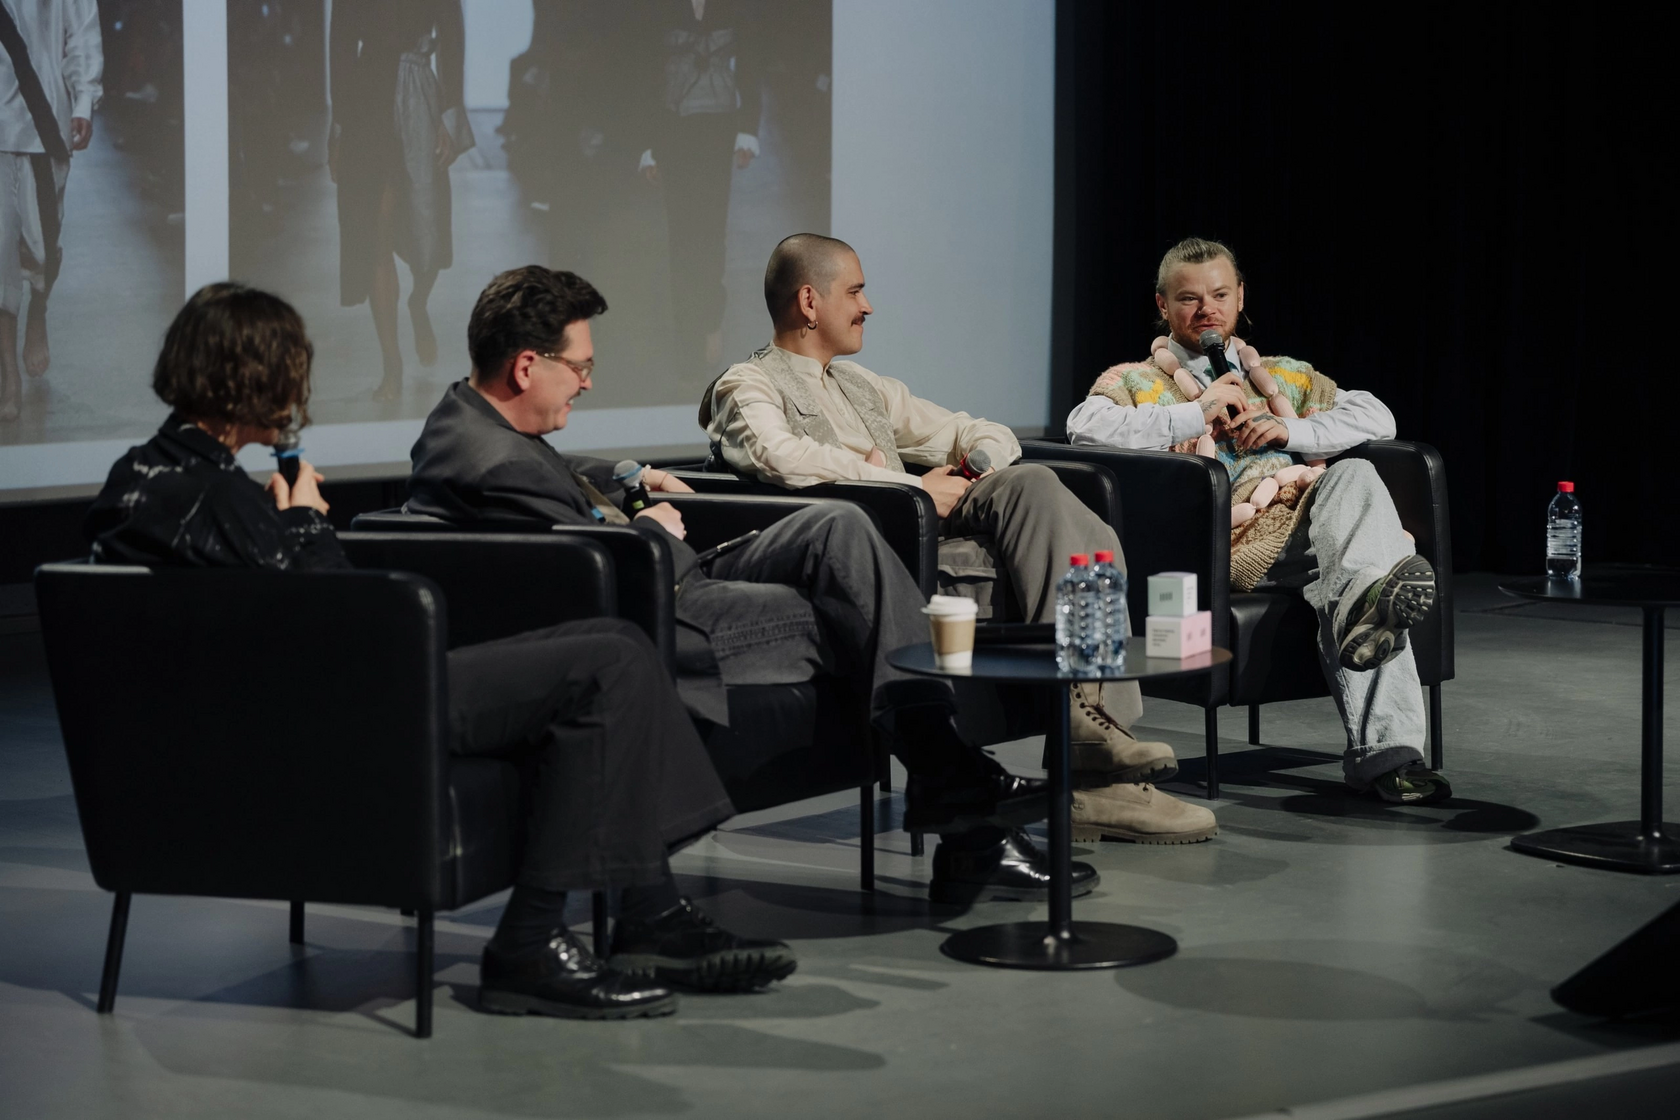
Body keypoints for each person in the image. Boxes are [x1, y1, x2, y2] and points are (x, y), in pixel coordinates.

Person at [84, 282, 799, 1021]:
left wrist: (286, 528)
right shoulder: (211, 497)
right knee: (611, 661)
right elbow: (333, 622)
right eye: (291, 372)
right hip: (359, 702)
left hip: (337, 691)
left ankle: (648, 912)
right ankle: (541, 942)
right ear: (253, 376)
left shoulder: (157, 479)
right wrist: (304, 525)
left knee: (613, 649)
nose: (298, 394)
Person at [406, 265, 1085, 903]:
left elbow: (551, 466)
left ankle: (952, 786)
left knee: (838, 527)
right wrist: (645, 533)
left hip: (684, 578)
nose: (586, 384)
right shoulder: (496, 464)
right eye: (580, 368)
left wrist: (633, 476)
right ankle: (957, 787)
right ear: (527, 366)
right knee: (860, 612)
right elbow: (574, 569)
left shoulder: (472, 425)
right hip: (670, 611)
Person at [702, 234, 1218, 846]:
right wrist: (908, 485)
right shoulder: (747, 384)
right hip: (863, 545)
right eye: (856, 291)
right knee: (1050, 523)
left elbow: (979, 431)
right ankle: (1094, 773)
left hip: (921, 520)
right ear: (809, 301)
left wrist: (974, 466)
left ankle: (1093, 740)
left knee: (1040, 491)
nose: (868, 306)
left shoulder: (862, 385)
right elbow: (780, 456)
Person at [1064, 237, 1448, 805]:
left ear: (1240, 297)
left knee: (1356, 479)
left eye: (1220, 295)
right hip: (1227, 542)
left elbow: (1378, 416)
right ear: (1163, 305)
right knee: (1368, 553)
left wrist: (1292, 431)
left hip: (1314, 526)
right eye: (1189, 299)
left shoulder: (1281, 375)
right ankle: (1387, 735)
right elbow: (1083, 425)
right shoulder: (1136, 381)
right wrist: (1192, 414)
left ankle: (1372, 648)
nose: (1207, 310)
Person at [328, 0, 472, 402]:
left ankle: (417, 302)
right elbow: (340, 43)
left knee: (427, 226)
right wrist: (338, 127)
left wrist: (450, 113)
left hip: (418, 92)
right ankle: (392, 364)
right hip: (366, 103)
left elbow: (452, 35)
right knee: (376, 231)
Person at [637, 0, 761, 372]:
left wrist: (748, 130)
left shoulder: (735, 6)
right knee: (681, 234)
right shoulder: (659, 8)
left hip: (717, 128)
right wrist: (648, 146)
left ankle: (709, 321)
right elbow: (646, 73)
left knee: (710, 230)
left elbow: (751, 63)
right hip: (673, 128)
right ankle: (686, 334)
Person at [0, 0, 101, 423]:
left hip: (44, 119)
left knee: (42, 246)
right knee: (1, 249)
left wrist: (83, 99)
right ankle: (7, 372)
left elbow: (81, 27)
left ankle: (38, 309)